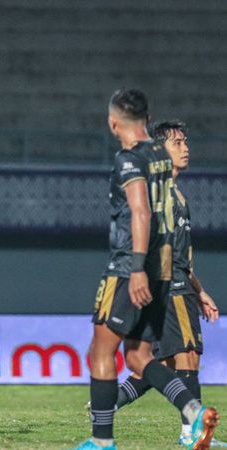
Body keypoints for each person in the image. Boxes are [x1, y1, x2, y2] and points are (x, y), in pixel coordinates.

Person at [75, 90, 218, 450]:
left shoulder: (131, 158)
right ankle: (192, 408)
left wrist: (137, 268)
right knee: (140, 357)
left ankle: (101, 441)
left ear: (113, 122)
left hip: (128, 267)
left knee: (100, 352)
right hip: (162, 274)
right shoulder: (160, 159)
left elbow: (140, 212)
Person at [111, 120, 223, 446]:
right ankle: (192, 432)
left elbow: (183, 255)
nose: (185, 148)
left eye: (186, 142)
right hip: (168, 284)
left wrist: (201, 292)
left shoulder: (179, 196)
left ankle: (108, 404)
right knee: (186, 355)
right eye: (177, 143)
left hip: (179, 283)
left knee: (165, 361)